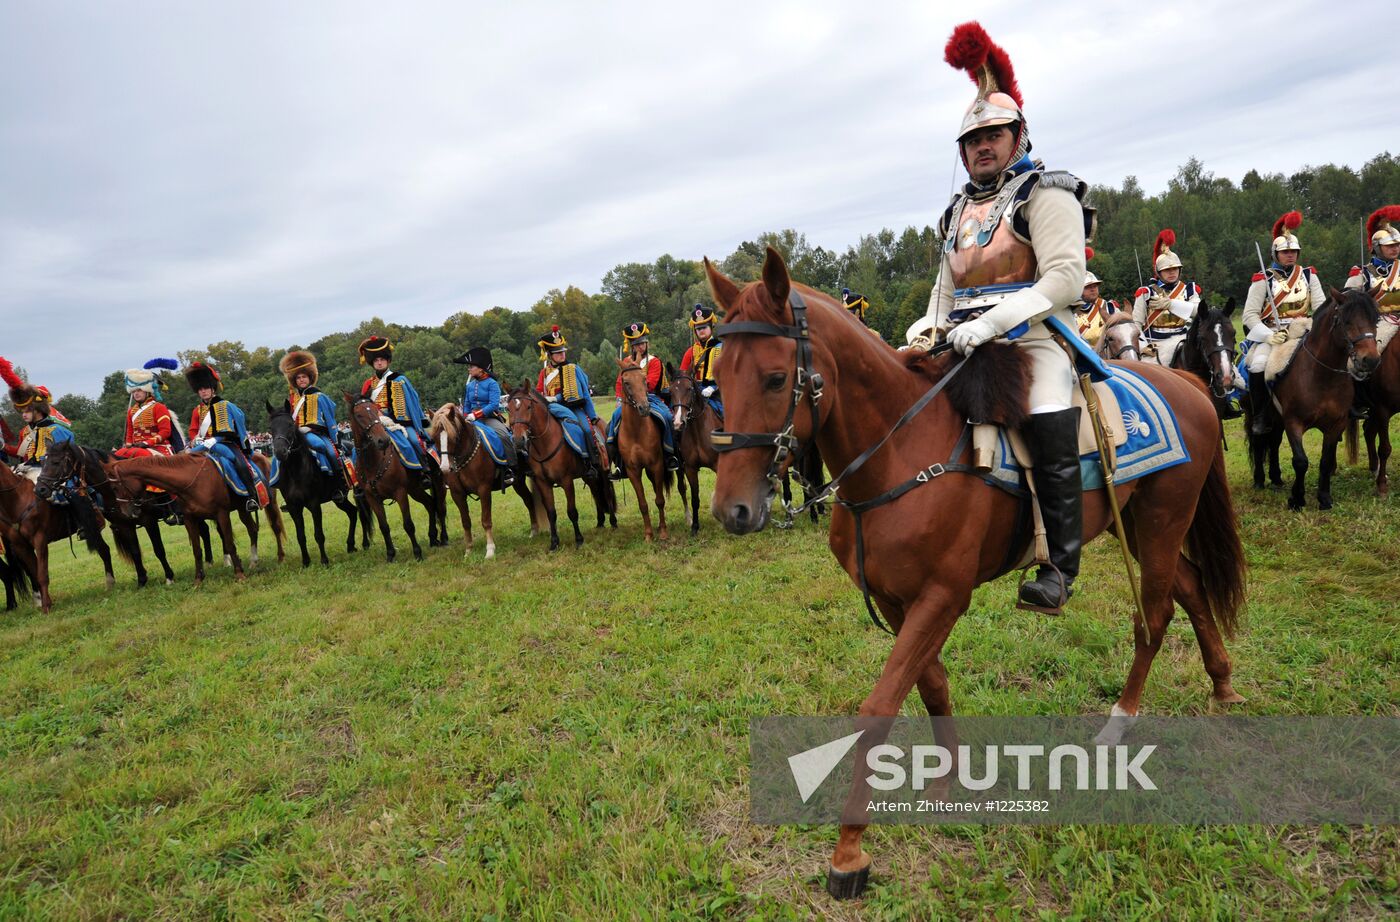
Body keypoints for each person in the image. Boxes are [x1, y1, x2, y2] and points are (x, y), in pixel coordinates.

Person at [904, 22, 1094, 613]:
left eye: (995, 133)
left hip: (1033, 339)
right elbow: (945, 290)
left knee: (1044, 413)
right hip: (961, 343)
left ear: (1018, 136)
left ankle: (1060, 566)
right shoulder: (956, 211)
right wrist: (923, 328)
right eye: (973, 138)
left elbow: (1065, 277)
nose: (983, 145)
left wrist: (992, 323)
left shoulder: (1047, 191)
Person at [1241, 211, 1327, 433]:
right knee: (1258, 365)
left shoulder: (1309, 276)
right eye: (1285, 252)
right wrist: (1269, 335)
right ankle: (1260, 415)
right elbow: (1249, 315)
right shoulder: (1263, 279)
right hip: (1273, 334)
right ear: (1276, 254)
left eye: (1293, 251)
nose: (1290, 255)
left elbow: (1321, 308)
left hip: (1305, 331)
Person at [183, 361, 266, 511]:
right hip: (203, 444)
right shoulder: (197, 410)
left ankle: (251, 496)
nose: (203, 391)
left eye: (206, 388)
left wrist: (207, 443)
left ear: (212, 388)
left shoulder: (223, 406)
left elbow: (223, 432)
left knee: (238, 462)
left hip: (225, 443)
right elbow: (193, 429)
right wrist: (195, 440)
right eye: (200, 389)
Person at [605, 321, 678, 479]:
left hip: (651, 398)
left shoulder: (654, 361)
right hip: (629, 400)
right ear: (631, 345)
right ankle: (619, 463)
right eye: (636, 344)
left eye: (642, 343)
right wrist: (619, 397)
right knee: (613, 422)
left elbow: (651, 382)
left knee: (666, 417)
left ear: (647, 343)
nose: (640, 347)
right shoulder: (625, 362)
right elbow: (620, 382)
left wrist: (637, 386)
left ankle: (670, 454)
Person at [358, 334, 434, 477]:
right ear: (372, 363)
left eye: (382, 360)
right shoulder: (368, 384)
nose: (379, 363)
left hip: (400, 421)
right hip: (377, 422)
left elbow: (413, 401)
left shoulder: (399, 379)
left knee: (413, 440)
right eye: (376, 361)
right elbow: (363, 404)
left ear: (388, 361)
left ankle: (424, 470)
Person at [535, 326, 604, 475]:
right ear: (549, 355)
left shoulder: (572, 369)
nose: (562, 355)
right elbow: (540, 389)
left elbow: (581, 393)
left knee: (586, 429)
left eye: (562, 352)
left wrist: (554, 398)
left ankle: (592, 462)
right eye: (557, 353)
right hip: (548, 409)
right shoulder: (544, 372)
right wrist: (541, 398)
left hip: (572, 407)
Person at [280, 349, 347, 500]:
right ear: (294, 381)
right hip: (297, 435)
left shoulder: (320, 396)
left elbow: (329, 419)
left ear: (310, 378)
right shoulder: (293, 400)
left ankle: (338, 486)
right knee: (281, 455)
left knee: (329, 451)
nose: (301, 380)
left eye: (304, 377)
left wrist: (310, 428)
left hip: (318, 433)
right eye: (298, 378)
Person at [1131, 229, 1200, 367]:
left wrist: (1171, 304)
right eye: (1167, 270)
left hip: (1183, 342)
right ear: (1159, 272)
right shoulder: (1146, 293)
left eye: (1175, 269)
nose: (1172, 272)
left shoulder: (1189, 289)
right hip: (1156, 345)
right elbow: (1136, 324)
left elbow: (1198, 311)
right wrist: (1143, 345)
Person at [0, 357, 75, 482]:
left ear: (38, 409)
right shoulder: (24, 431)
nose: (24, 415)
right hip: (27, 470)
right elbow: (20, 454)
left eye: (27, 410)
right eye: (21, 411)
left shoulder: (57, 430)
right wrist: (3, 447)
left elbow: (69, 459)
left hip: (52, 475)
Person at [453, 346, 514, 488]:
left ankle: (510, 468)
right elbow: (467, 404)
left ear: (481, 368)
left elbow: (493, 404)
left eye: (471, 366)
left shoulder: (492, 383)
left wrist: (477, 414)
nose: (469, 369)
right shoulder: (469, 386)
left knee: (504, 435)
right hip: (472, 419)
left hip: (489, 418)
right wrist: (466, 417)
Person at [679, 304, 724, 418]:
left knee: (728, 415)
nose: (701, 331)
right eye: (698, 328)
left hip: (717, 392)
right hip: (694, 392)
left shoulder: (722, 348)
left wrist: (712, 387)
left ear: (711, 327)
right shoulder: (691, 351)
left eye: (704, 327)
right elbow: (683, 374)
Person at [1073, 247, 1119, 347]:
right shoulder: (1071, 309)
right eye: (1088, 287)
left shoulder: (1109, 307)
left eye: (1095, 286)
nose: (1093, 289)